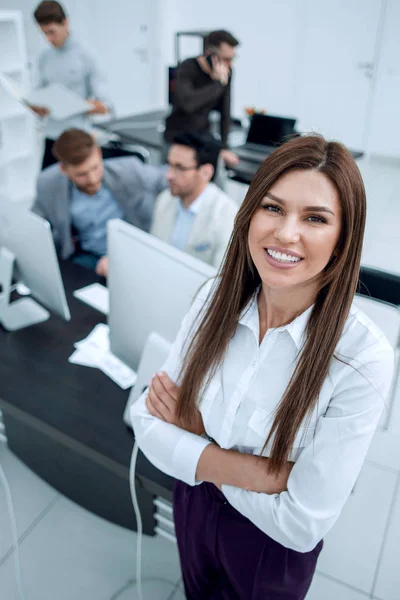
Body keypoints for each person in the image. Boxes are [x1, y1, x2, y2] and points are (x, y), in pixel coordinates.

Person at [131, 135, 394, 599]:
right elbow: (146, 421)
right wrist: (261, 473)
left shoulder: (361, 356)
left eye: (315, 218)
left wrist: (196, 439)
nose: (286, 233)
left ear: (342, 238)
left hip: (269, 549)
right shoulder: (217, 296)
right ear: (249, 212)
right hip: (193, 504)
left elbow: (301, 523)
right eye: (272, 208)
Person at [32, 129, 167, 275]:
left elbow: (168, 178)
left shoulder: (128, 170)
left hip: (132, 255)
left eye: (95, 168)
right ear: (63, 169)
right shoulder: (48, 183)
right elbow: (35, 225)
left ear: (99, 153)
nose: (92, 179)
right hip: (85, 258)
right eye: (81, 174)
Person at [31, 1, 112, 169]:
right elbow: (40, 95)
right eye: (44, 34)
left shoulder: (86, 55)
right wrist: (37, 107)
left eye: (52, 32)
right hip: (51, 138)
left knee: (77, 189)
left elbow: (105, 106)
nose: (49, 39)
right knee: (47, 188)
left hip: (77, 138)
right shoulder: (44, 58)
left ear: (65, 23)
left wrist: (76, 105)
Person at [151, 132, 238, 268]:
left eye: (179, 168)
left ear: (206, 173)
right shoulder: (164, 200)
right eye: (170, 165)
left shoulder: (227, 215)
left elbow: (221, 278)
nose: (169, 175)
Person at [164, 30, 240, 168]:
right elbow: (189, 104)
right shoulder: (187, 67)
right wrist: (217, 84)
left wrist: (224, 146)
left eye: (233, 58)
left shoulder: (227, 73)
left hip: (202, 136)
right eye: (227, 59)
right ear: (211, 55)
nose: (230, 64)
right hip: (178, 136)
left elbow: (225, 111)